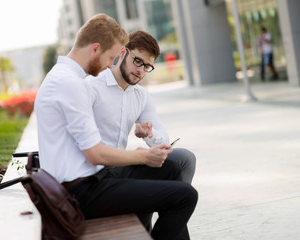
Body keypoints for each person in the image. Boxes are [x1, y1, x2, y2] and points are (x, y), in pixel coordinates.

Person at [35, 14, 198, 240]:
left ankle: (149, 230)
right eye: (111, 56)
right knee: (186, 196)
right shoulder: (74, 84)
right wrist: (140, 157)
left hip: (90, 178)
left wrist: (148, 141)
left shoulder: (65, 78)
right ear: (95, 49)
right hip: (80, 189)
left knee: (174, 167)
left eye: (147, 66)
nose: (108, 64)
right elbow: (96, 154)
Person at [85, 30, 196, 238]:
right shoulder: (93, 87)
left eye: (147, 66)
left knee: (184, 159)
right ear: (122, 52)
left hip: (121, 166)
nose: (140, 70)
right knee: (178, 186)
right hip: (98, 172)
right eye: (137, 61)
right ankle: (167, 213)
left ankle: (168, 216)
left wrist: (147, 134)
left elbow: (163, 140)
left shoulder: (140, 96)